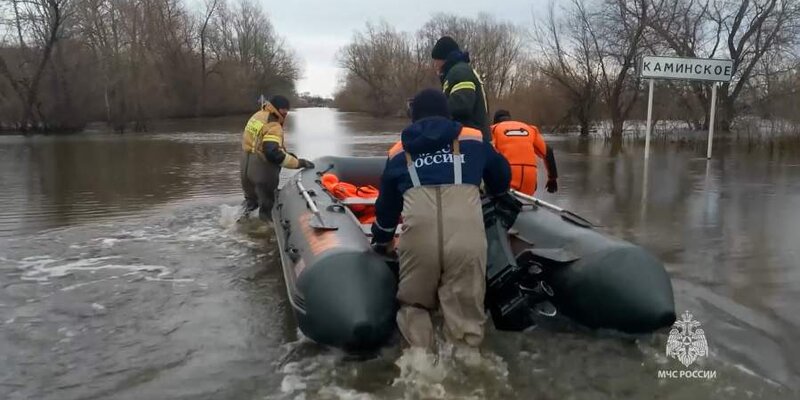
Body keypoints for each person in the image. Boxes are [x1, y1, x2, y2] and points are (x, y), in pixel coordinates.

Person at [370, 89, 511, 352]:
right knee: (467, 312)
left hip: (418, 242)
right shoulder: (474, 140)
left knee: (414, 304)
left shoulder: (398, 153)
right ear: (447, 113)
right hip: (466, 239)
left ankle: (420, 365)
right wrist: (495, 192)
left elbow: (387, 208)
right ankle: (468, 361)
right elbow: (502, 177)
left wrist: (382, 238)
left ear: (413, 117)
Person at [240, 95, 315, 222]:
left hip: (246, 168)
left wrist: (286, 153)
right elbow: (272, 153)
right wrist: (298, 163)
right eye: (283, 109)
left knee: (251, 204)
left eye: (287, 109)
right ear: (276, 108)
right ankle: (266, 237)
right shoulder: (273, 124)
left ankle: (241, 225)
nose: (285, 112)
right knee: (267, 208)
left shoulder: (257, 116)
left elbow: (258, 143)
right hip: (262, 171)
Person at [431, 36, 491, 143]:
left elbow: (462, 104)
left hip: (471, 141)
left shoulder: (460, 72)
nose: (435, 65)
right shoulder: (459, 71)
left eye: (436, 61)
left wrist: (432, 110)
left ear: (443, 59)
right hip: (475, 138)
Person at [491, 109, 558, 195]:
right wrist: (552, 178)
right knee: (525, 203)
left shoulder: (493, 130)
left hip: (507, 176)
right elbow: (548, 152)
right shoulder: (530, 129)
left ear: (495, 121)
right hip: (529, 178)